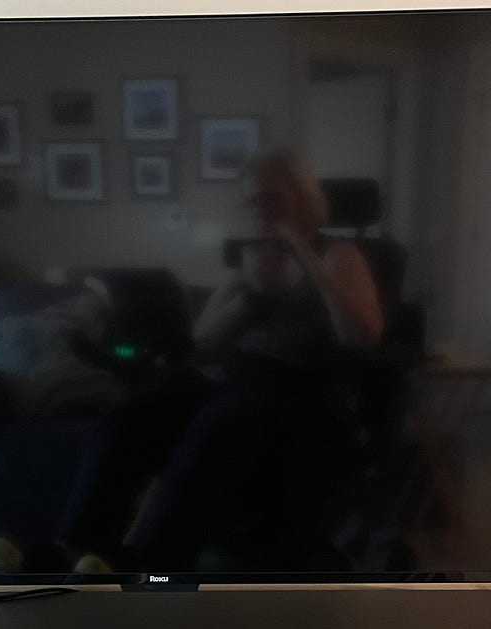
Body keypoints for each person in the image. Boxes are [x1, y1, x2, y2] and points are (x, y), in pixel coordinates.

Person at [58, 148, 385, 573]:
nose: (260, 211)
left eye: (272, 198)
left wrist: (303, 254)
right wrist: (249, 296)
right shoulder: (254, 259)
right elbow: (203, 341)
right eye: (252, 203)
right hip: (228, 373)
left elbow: (364, 335)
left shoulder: (338, 254)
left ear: (303, 198)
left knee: (215, 429)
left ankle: (154, 571)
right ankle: (80, 552)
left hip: (295, 383)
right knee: (128, 417)